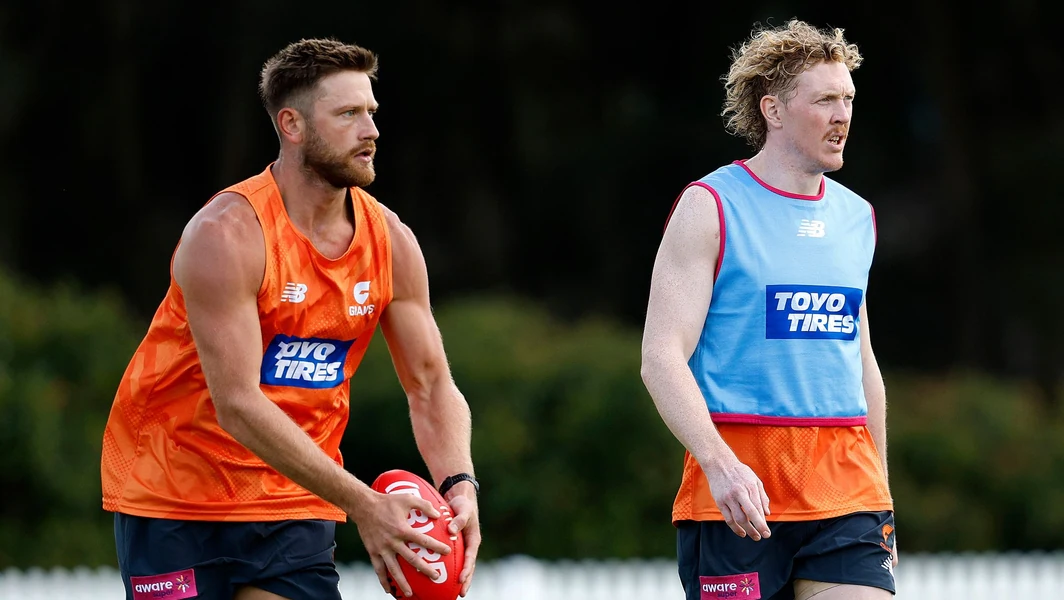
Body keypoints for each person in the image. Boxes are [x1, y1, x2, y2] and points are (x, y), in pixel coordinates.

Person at [100, 38, 481, 600]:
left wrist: (459, 483)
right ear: (292, 125)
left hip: (292, 500)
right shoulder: (226, 234)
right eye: (348, 114)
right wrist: (365, 505)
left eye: (372, 113)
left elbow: (430, 385)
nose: (371, 131)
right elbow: (238, 403)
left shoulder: (392, 243)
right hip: (174, 495)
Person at [640, 19, 897, 600]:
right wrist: (718, 464)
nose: (843, 115)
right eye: (825, 99)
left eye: (848, 98)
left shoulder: (857, 217)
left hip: (846, 486)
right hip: (740, 484)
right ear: (774, 111)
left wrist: (881, 487)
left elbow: (862, 364)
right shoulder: (709, 206)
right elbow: (660, 358)